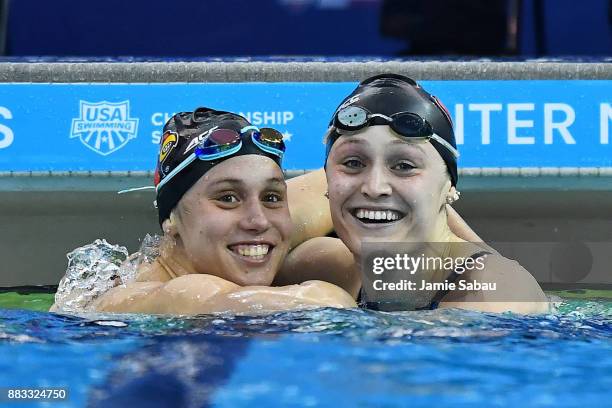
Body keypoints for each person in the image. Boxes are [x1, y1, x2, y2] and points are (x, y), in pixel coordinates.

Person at [276, 74, 549, 314]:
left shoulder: (491, 292)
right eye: (353, 163)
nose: (374, 187)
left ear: (449, 187)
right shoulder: (333, 266)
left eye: (404, 166)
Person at [90, 107, 356, 314]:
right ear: (171, 218)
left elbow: (352, 181)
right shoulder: (167, 295)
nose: (259, 220)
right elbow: (329, 302)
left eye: (272, 196)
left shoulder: (244, 232)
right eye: (228, 198)